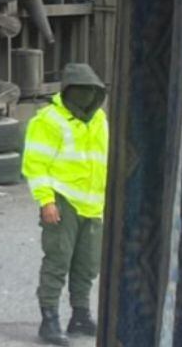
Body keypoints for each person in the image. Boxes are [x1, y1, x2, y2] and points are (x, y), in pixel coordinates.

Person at [22, 63, 109, 345]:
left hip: (93, 205)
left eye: (90, 91)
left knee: (87, 264)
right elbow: (35, 165)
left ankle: (80, 315)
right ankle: (49, 319)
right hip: (63, 201)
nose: (86, 97)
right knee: (58, 261)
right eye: (81, 91)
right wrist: (47, 201)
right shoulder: (48, 120)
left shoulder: (99, 120)